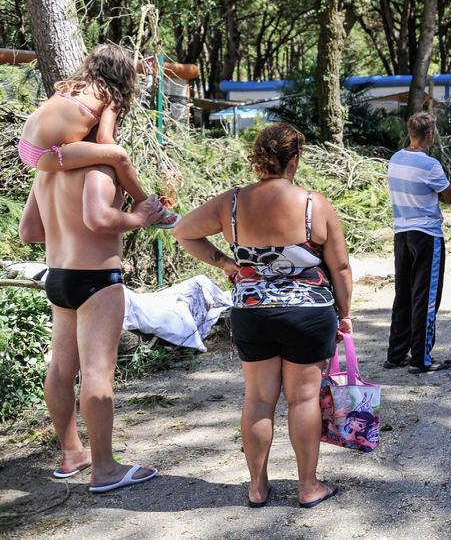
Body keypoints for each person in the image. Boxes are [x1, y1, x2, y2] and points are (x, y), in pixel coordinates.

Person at [174, 123, 352, 509]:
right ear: (295, 158)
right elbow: (339, 268)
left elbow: (183, 231)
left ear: (260, 158)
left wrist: (225, 263)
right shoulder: (313, 204)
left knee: (257, 399)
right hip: (307, 313)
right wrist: (346, 314)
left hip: (251, 312)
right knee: (303, 400)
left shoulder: (232, 203)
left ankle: (257, 487)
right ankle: (308, 487)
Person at [18, 154, 165, 493]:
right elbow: (98, 218)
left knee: (60, 369)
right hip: (96, 278)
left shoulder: (47, 169)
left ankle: (72, 454)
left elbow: (28, 231)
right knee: (97, 372)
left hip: (58, 275)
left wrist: (67, 231)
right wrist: (139, 217)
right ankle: (105, 468)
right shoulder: (98, 167)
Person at [18, 43, 178, 228]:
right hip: (46, 153)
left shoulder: (73, 86)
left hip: (26, 147)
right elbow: (104, 139)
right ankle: (148, 205)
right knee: (119, 156)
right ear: (123, 74)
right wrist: (120, 170)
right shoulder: (111, 95)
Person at [385, 112, 451, 373]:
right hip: (427, 235)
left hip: (401, 233)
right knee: (425, 297)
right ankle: (421, 359)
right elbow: (450, 196)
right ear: (430, 135)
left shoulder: (395, 159)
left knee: (402, 294)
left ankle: (396, 354)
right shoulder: (430, 165)